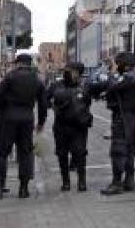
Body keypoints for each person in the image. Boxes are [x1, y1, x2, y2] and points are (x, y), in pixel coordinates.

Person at [0, 53, 47, 200]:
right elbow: (43, 104)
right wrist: (40, 123)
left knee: (1, 152)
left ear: (17, 63)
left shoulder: (10, 77)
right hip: (27, 119)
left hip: (8, 117)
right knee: (25, 153)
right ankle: (24, 189)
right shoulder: (37, 80)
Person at [97, 52, 135, 195]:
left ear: (125, 64)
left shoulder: (130, 77)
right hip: (127, 116)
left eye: (118, 63)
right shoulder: (132, 76)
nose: (116, 66)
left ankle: (117, 183)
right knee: (128, 150)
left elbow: (113, 86)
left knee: (118, 150)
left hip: (123, 117)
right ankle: (129, 181)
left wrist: (111, 74)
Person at [50, 61, 93, 192]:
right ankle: (66, 182)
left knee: (80, 153)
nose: (67, 72)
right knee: (62, 154)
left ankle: (82, 182)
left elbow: (87, 103)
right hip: (61, 125)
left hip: (79, 126)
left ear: (78, 73)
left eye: (70, 70)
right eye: (66, 70)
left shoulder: (84, 86)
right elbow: (47, 99)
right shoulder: (56, 85)